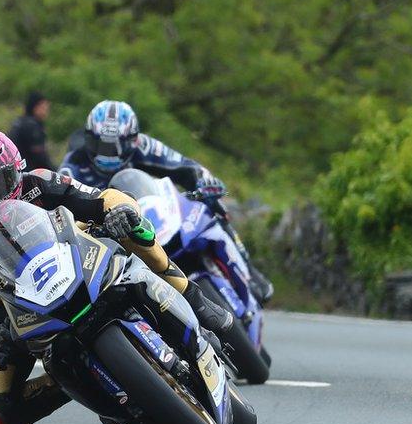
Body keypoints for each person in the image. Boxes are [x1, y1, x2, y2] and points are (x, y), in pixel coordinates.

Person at [0, 129, 235, 424]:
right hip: (10, 313)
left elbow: (99, 197)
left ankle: (191, 295)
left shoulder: (37, 183)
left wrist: (122, 210)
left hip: (75, 259)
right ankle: (79, 382)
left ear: (15, 171)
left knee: (131, 228)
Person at [60, 100, 274, 303]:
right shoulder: (73, 165)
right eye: (99, 145)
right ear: (88, 139)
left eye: (115, 148)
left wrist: (204, 182)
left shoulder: (146, 147)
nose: (107, 155)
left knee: (214, 206)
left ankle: (250, 272)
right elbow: (63, 207)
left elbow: (187, 167)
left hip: (156, 216)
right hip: (116, 231)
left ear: (133, 141)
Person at [7, 92, 54, 172]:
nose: (46, 111)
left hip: (14, 171)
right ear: (35, 107)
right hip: (27, 173)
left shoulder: (18, 122)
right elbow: (40, 158)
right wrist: (56, 172)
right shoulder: (32, 127)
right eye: (44, 107)